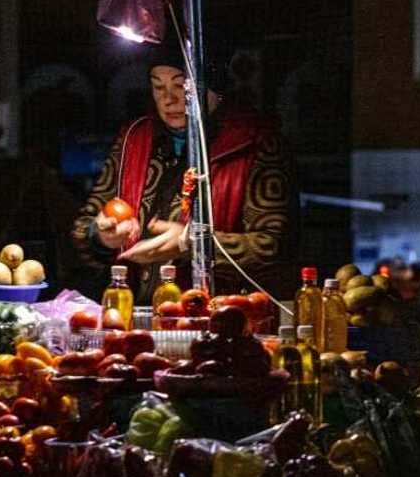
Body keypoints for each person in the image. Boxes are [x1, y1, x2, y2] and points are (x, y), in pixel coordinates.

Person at [71, 40, 295, 302]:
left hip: (221, 315)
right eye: (158, 86)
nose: (168, 99)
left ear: (215, 90)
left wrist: (193, 242)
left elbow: (275, 245)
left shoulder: (255, 142)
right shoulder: (134, 139)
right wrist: (100, 236)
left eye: (180, 86)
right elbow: (84, 225)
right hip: (134, 312)